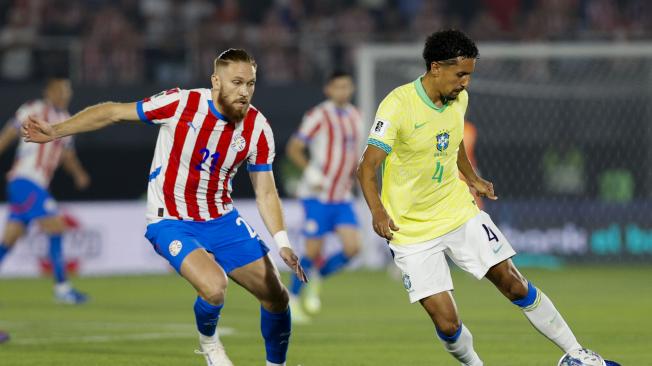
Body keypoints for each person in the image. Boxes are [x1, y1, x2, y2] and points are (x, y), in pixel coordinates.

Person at [23, 49, 307, 366]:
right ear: (216, 81)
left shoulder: (258, 128)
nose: (244, 92)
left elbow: (266, 191)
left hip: (222, 219)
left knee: (277, 297)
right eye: (237, 82)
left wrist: (282, 242)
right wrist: (57, 131)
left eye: (250, 84)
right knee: (215, 288)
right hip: (170, 219)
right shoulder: (181, 103)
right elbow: (112, 112)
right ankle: (210, 344)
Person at [356, 30, 620, 366]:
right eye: (460, 74)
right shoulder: (397, 105)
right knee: (447, 323)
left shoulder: (458, 99)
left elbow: (452, 143)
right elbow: (366, 168)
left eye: (469, 75)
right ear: (436, 67)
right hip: (409, 231)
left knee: (513, 282)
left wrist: (472, 178)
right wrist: (378, 211)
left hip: (457, 212)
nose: (465, 82)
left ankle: (578, 354)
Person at [0, 78, 90, 304]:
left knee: (9, 239)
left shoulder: (68, 121)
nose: (64, 94)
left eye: (67, 90)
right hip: (25, 180)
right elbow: (11, 132)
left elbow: (67, 155)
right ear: (49, 91)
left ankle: (62, 288)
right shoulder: (34, 109)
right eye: (60, 89)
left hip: (33, 184)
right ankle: (62, 288)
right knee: (57, 227)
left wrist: (78, 173)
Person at [285, 71, 363, 322]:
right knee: (312, 251)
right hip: (317, 196)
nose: (343, 91)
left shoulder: (356, 116)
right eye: (338, 86)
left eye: (347, 86)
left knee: (353, 248)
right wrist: (310, 172)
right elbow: (294, 148)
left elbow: (354, 154)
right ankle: (292, 300)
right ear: (328, 89)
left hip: (342, 196)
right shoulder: (318, 115)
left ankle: (316, 277)